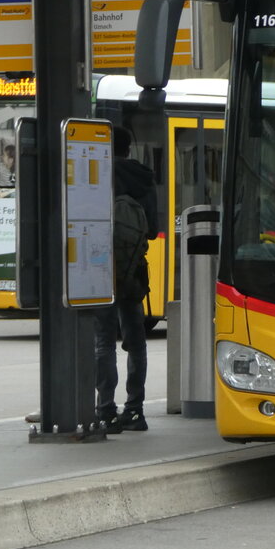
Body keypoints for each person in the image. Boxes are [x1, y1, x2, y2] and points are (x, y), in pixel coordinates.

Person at [94, 126, 158, 433]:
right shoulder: (143, 178)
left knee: (103, 341)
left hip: (100, 270)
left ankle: (105, 409)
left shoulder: (96, 174)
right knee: (136, 342)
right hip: (133, 271)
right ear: (128, 149)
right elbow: (154, 228)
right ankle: (135, 410)